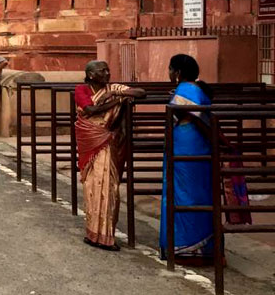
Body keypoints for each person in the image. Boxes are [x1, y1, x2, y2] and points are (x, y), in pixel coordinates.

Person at [159, 54, 250, 265]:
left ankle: (188, 248)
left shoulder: (186, 91)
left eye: (171, 69)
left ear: (178, 73)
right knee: (195, 193)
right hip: (191, 146)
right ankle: (199, 247)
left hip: (187, 148)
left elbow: (199, 121)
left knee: (186, 194)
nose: (169, 73)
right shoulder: (194, 90)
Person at [75, 61, 144, 251]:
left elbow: (141, 93)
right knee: (93, 186)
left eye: (107, 70)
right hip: (92, 140)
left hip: (108, 142)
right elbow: (91, 110)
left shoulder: (114, 88)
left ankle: (106, 235)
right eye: (102, 71)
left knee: (110, 187)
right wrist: (117, 99)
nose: (107, 73)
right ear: (90, 75)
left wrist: (115, 93)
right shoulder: (81, 89)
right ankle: (93, 233)